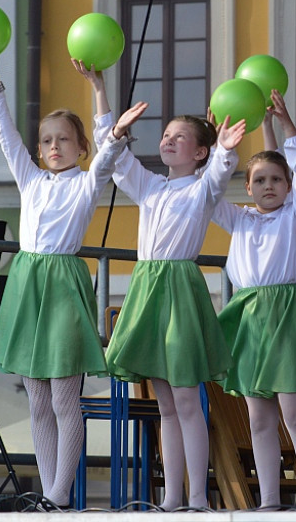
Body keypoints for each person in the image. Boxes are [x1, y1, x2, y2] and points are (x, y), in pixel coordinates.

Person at [0, 47, 132, 507]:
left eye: (64, 140)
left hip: (62, 287)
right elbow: (5, 135)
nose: (54, 147)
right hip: (28, 283)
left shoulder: (86, 183)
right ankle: (49, 491)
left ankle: (57, 494)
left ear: (81, 149)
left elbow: (110, 150)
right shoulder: (31, 180)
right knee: (36, 400)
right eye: (47, 141)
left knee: (62, 399)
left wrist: (98, 90)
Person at [80, 64, 246, 511]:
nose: (168, 139)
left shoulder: (202, 188)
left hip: (178, 288)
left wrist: (225, 151)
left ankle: (196, 497)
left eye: (180, 136)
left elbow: (218, 174)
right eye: (166, 134)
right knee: (166, 406)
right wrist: (100, 92)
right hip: (148, 288)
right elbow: (112, 158)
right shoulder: (150, 186)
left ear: (198, 153)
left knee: (188, 399)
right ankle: (172, 497)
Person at [212, 90, 296, 511]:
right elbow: (208, 193)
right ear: (248, 187)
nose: (268, 186)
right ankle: (270, 501)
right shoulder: (238, 217)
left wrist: (284, 125)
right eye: (260, 180)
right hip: (249, 316)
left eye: (277, 179)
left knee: (295, 411)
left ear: (288, 186)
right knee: (258, 415)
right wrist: (221, 147)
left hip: (288, 314)